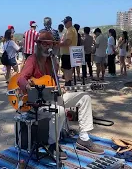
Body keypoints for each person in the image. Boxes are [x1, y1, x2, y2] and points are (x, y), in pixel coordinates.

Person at [17, 31, 104, 159]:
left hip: (53, 97)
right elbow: (20, 79)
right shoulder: (32, 59)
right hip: (38, 103)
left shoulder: (52, 61)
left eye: (51, 44)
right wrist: (29, 87)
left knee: (84, 97)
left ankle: (83, 138)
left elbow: (53, 81)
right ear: (39, 45)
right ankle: (53, 144)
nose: (48, 47)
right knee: (60, 111)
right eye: (45, 44)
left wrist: (60, 86)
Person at [59, 16, 78, 86]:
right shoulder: (72, 29)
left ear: (69, 22)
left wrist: (59, 44)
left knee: (66, 68)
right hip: (70, 53)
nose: (64, 24)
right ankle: (68, 81)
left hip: (67, 53)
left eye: (65, 22)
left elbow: (68, 42)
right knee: (68, 68)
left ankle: (68, 82)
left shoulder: (70, 30)